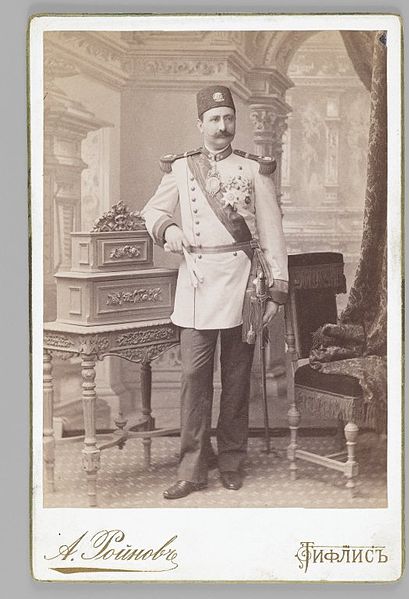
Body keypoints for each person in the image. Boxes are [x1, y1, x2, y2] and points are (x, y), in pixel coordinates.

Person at [142, 85, 288, 499]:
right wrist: (168, 229)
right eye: (214, 120)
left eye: (228, 119)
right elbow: (152, 210)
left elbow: (272, 232)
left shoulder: (253, 169)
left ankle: (232, 460)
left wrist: (276, 289)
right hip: (197, 283)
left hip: (243, 284)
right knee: (194, 378)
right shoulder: (182, 169)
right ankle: (192, 467)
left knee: (238, 378)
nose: (223, 127)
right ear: (200, 124)